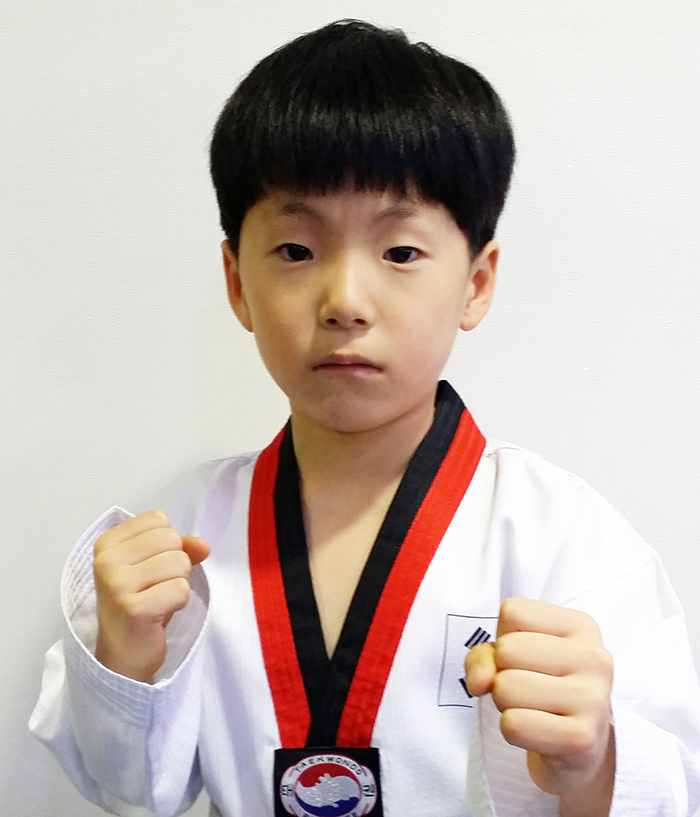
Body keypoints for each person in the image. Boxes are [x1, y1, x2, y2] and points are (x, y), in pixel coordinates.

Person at [29, 18, 700, 817]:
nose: (344, 300)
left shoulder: (564, 539)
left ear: (477, 282)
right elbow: (131, 788)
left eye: (400, 252)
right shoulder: (187, 534)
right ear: (237, 283)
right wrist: (124, 659)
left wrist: (597, 761)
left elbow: (678, 784)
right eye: (296, 250)